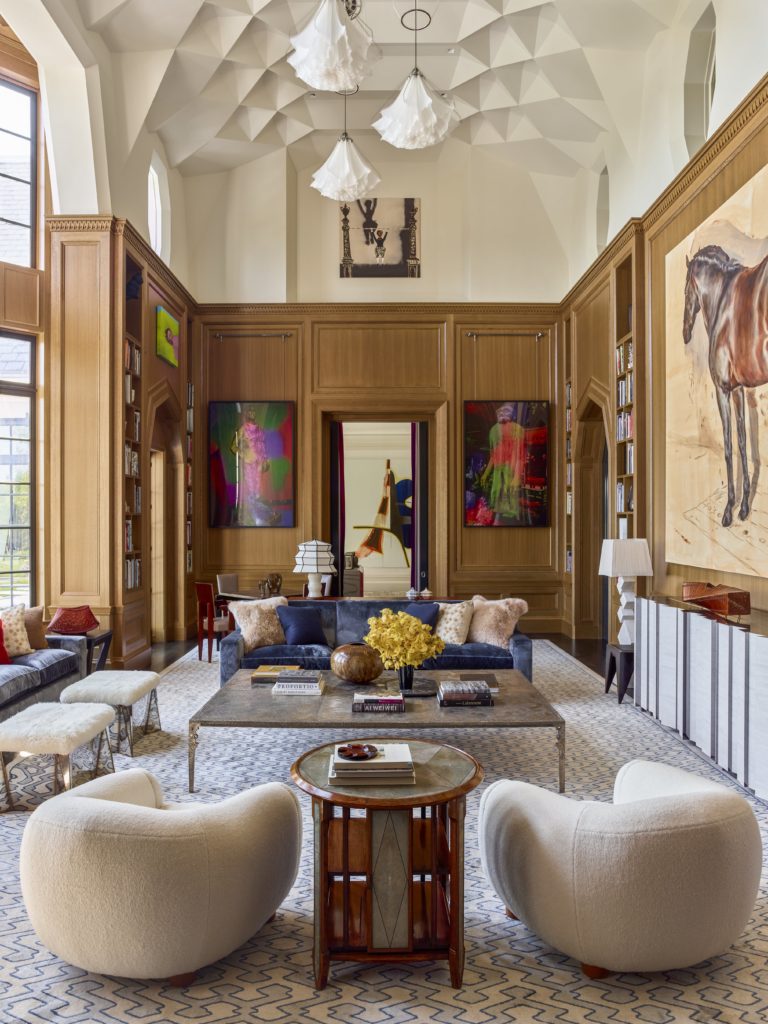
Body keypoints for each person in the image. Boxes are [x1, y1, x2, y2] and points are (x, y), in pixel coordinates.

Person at [230, 408, 279, 526]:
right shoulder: (242, 429)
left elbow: (263, 447)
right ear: (247, 415)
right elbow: (233, 447)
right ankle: (269, 514)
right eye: (250, 412)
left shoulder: (260, 430)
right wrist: (243, 454)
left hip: (258, 465)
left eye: (253, 412)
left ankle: (264, 517)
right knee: (251, 494)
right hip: (248, 465)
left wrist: (265, 461)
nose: (252, 414)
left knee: (256, 494)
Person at [480, 403, 525, 523]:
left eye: (505, 411)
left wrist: (516, 477)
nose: (502, 414)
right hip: (498, 478)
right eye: (500, 411)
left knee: (510, 514)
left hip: (510, 476)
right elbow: (493, 457)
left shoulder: (517, 430)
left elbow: (520, 457)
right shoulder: (493, 431)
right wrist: (485, 473)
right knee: (498, 511)